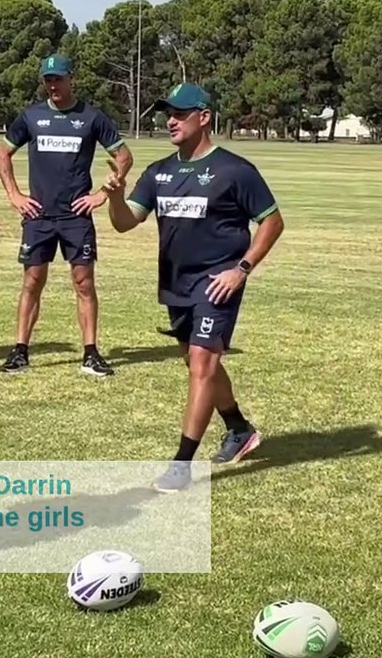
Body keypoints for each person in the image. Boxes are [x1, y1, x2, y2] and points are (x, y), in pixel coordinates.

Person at [103, 83, 284, 493]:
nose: (171, 121)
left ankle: (181, 465)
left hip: (218, 283)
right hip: (175, 284)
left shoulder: (235, 170)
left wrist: (241, 269)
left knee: (202, 362)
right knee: (198, 363)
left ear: (203, 118)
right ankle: (239, 428)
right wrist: (115, 198)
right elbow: (125, 222)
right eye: (167, 113)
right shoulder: (159, 172)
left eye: (180, 114)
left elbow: (272, 222)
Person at [0, 54, 133, 376]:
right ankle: (20, 352)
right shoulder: (31, 116)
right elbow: (3, 152)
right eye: (48, 80)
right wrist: (14, 194)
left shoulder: (91, 117)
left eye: (58, 78)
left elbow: (124, 157)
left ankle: (91, 353)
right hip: (39, 216)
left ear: (72, 79)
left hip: (76, 217)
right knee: (32, 281)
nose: (53, 85)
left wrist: (102, 194)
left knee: (83, 282)